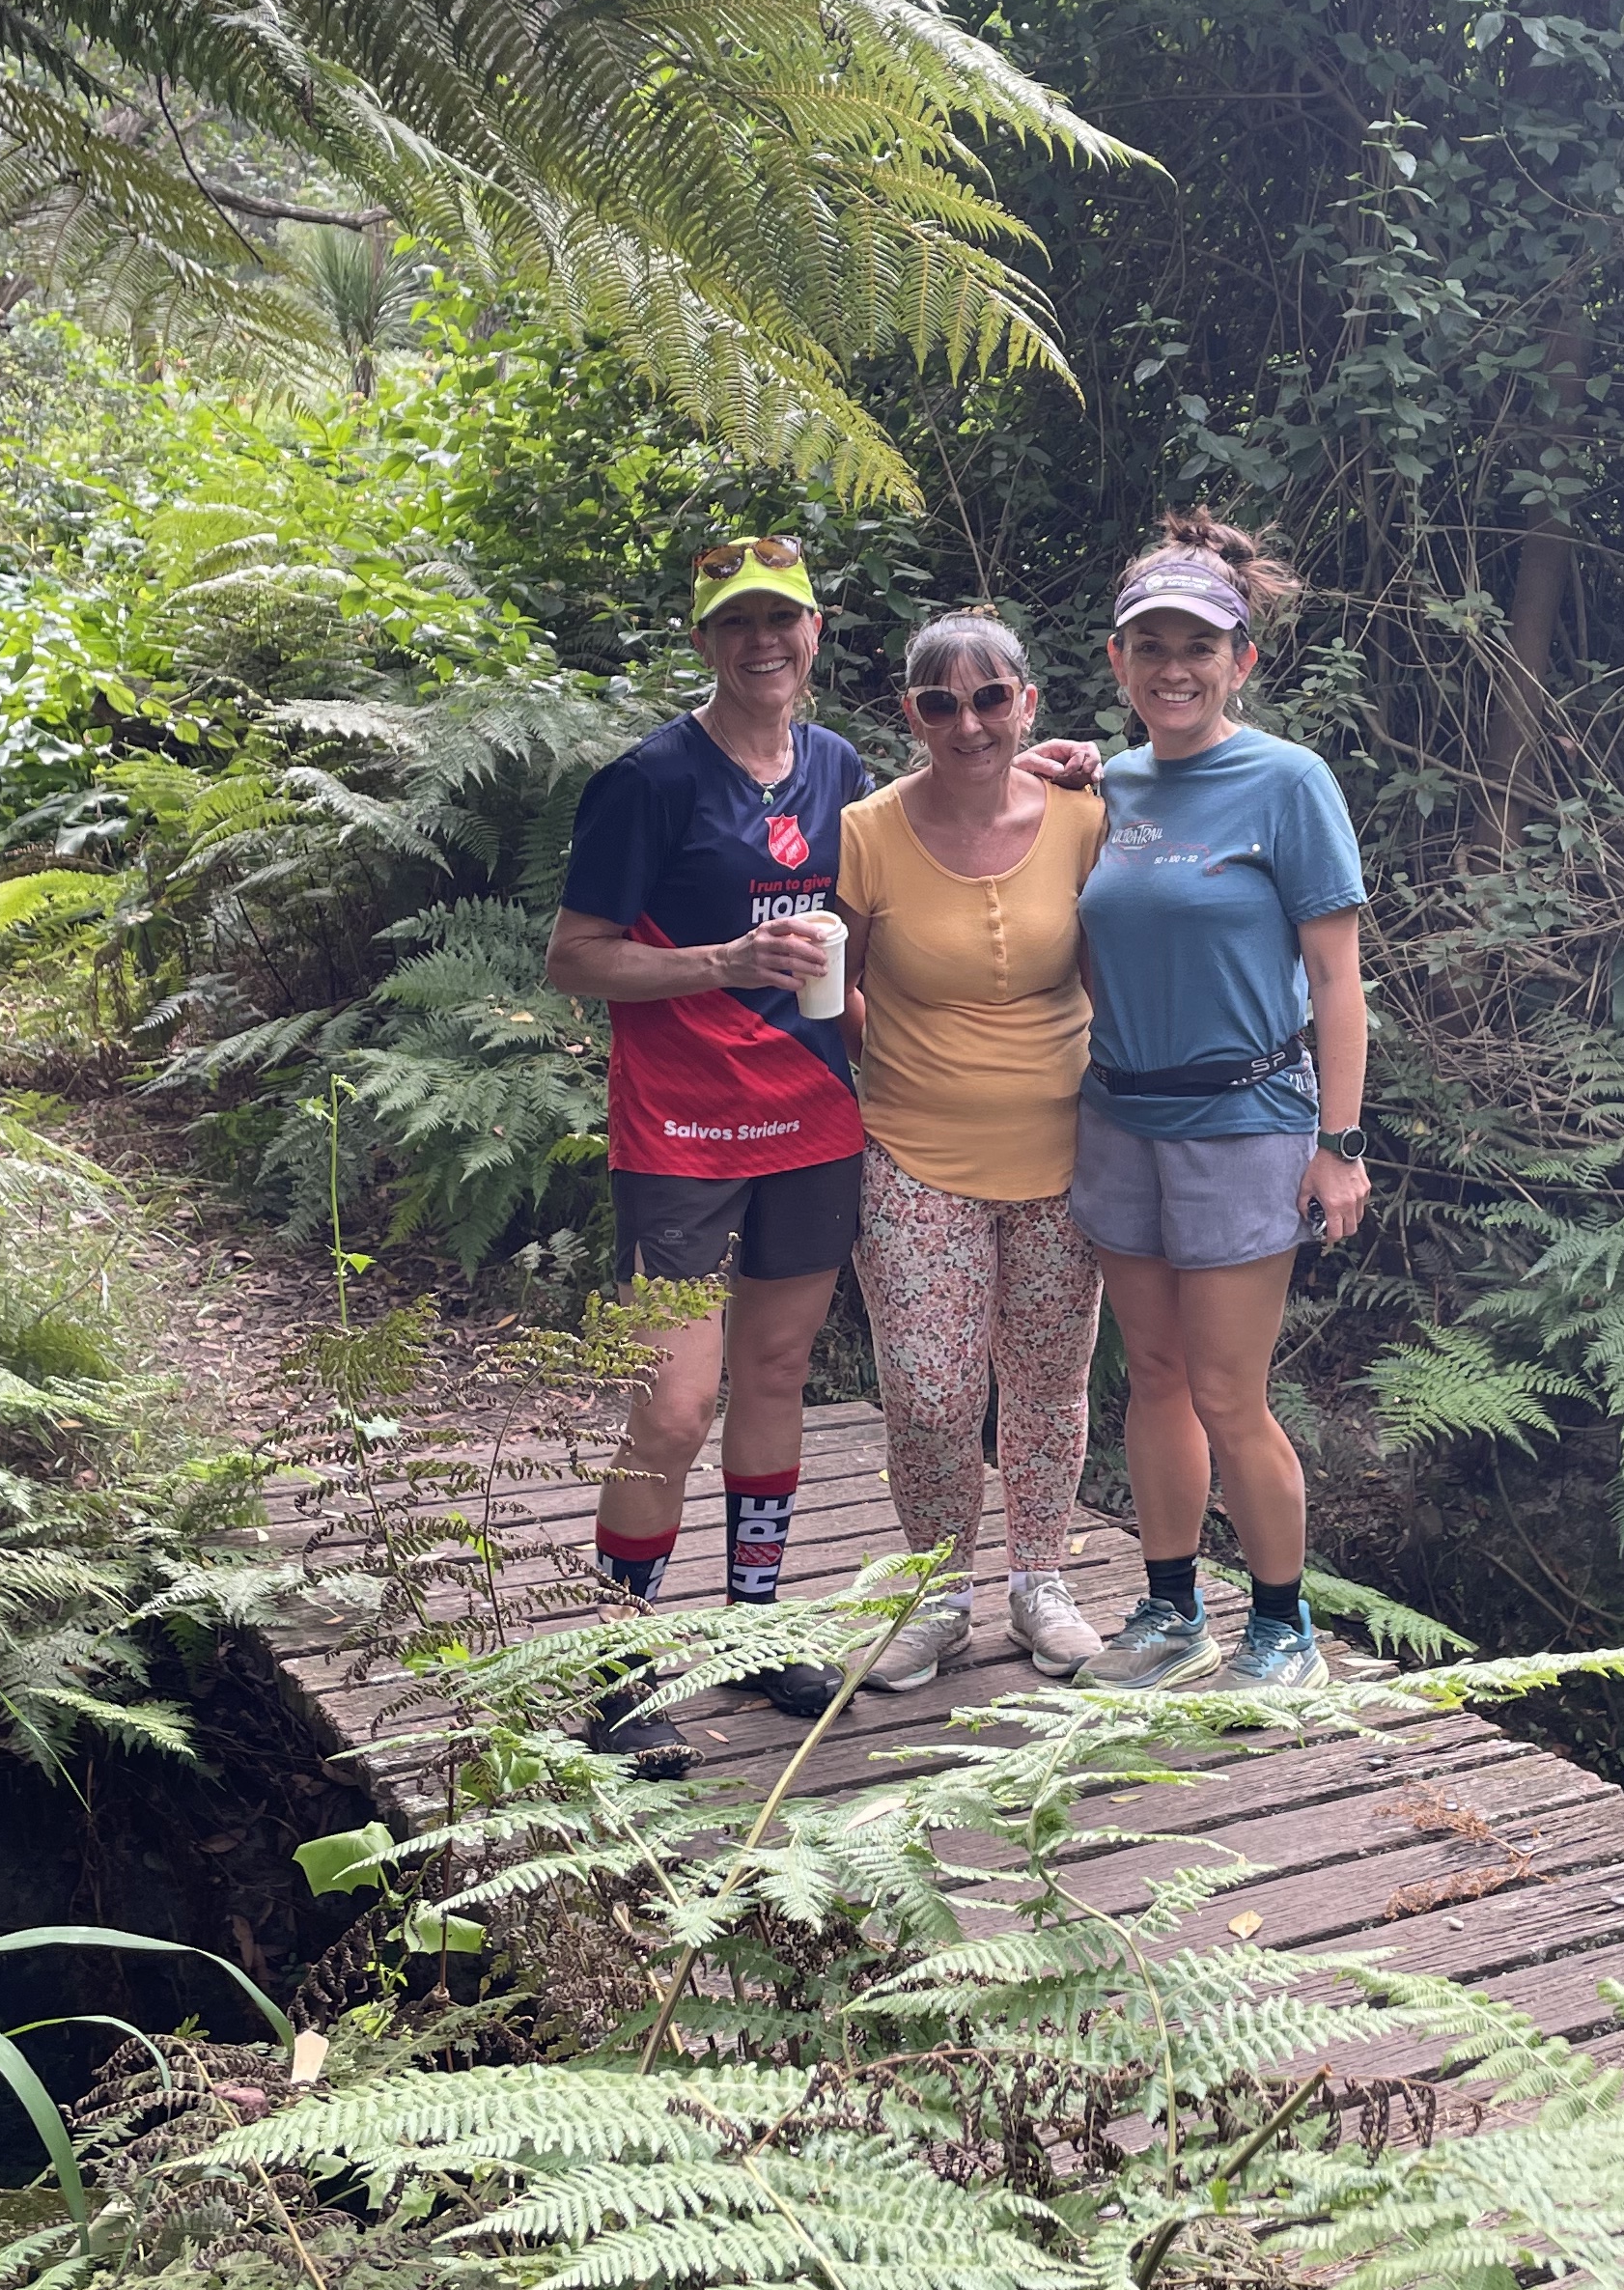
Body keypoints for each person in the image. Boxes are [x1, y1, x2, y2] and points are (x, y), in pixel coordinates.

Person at [543, 536, 872, 1721]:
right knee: (675, 1405)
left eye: (782, 619)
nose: (763, 642)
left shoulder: (839, 767)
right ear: (703, 642)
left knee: (777, 1371)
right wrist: (723, 961)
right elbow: (574, 956)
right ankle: (620, 1665)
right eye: (737, 623)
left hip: (814, 1115)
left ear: (815, 634)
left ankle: (756, 1627)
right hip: (680, 1129)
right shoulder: (650, 780)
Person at [1069, 514, 1371, 1688]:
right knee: (1151, 1377)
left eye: (1199, 645)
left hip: (1246, 1122)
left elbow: (1339, 979)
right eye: (1151, 646)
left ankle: (1283, 1625)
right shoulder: (1102, 784)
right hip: (1118, 1119)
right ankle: (1168, 1607)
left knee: (1231, 1393)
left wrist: (1337, 1145)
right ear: (1118, 665)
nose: (1174, 668)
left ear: (1241, 659)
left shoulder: (1289, 782)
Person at [833, 610, 1109, 1688]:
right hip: (912, 1153)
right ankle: (935, 1593)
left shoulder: (1085, 815)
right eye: (942, 702)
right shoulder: (869, 831)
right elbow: (836, 986)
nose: (970, 721)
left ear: (1028, 704)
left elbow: (1108, 970)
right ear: (913, 714)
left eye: (992, 697)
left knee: (1049, 1382)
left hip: (1066, 1153)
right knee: (931, 1390)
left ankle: (1041, 1582)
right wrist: (902, 1069)